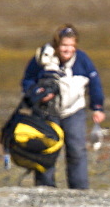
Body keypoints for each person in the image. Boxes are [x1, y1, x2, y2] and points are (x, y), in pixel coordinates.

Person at [21, 24, 105, 189]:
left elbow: (95, 83)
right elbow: (27, 81)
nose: (68, 49)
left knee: (77, 150)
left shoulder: (82, 60)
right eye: (64, 45)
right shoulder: (41, 60)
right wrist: (39, 94)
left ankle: (80, 190)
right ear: (56, 45)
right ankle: (45, 188)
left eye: (71, 46)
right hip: (46, 112)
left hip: (74, 111)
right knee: (46, 150)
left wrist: (97, 107)